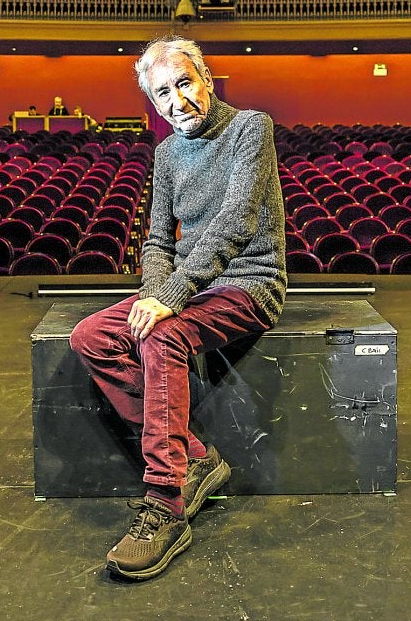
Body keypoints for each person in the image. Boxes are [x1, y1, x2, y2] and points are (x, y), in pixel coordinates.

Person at [69, 36, 286, 581]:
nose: (176, 100)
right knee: (91, 336)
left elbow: (236, 223)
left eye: (184, 83)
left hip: (248, 283)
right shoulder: (166, 153)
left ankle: (166, 504)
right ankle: (194, 456)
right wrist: (152, 293)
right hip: (191, 290)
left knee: (160, 336)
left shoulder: (250, 128)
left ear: (207, 79)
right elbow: (158, 243)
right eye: (162, 93)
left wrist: (169, 298)